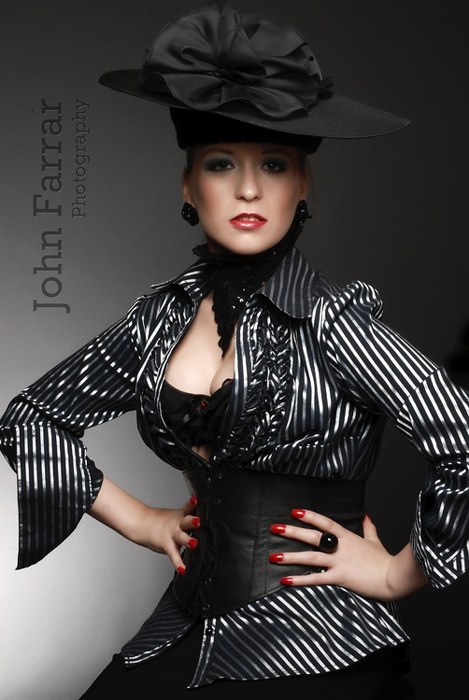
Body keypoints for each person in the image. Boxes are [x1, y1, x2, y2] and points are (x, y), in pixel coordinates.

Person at [1, 1, 468, 698]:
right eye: (222, 164)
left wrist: (399, 572)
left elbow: (464, 435)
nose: (248, 188)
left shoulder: (334, 323)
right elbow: (31, 417)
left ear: (302, 185)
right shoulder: (158, 320)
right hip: (183, 627)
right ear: (189, 185)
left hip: (320, 644)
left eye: (273, 165)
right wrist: (143, 521)